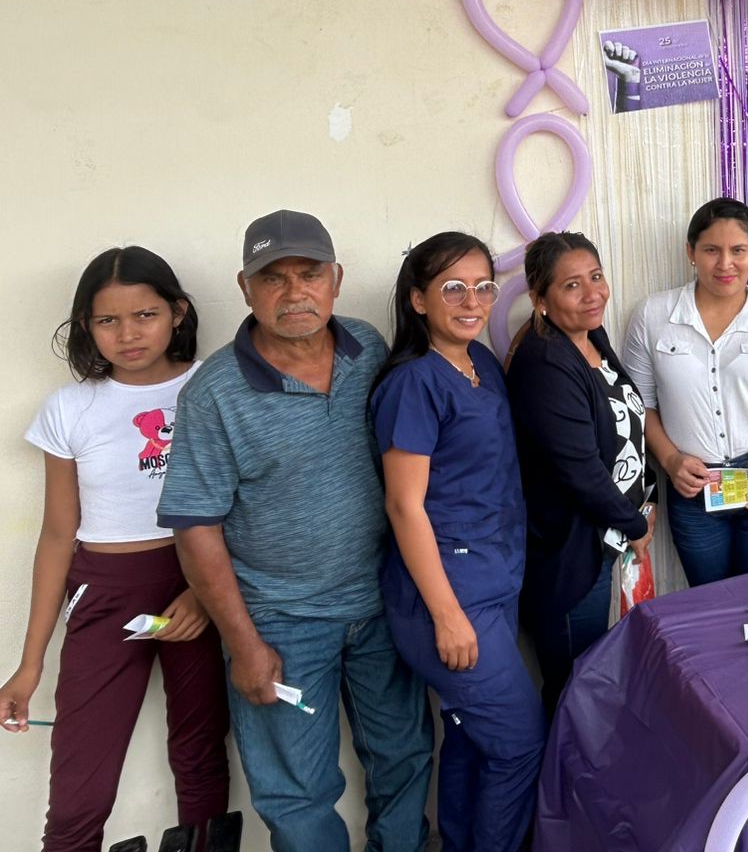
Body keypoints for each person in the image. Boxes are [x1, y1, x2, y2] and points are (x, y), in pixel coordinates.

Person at [157, 211, 433, 852]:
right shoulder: (215, 392)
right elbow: (196, 527)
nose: (294, 292)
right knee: (297, 793)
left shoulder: (369, 348)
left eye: (309, 274)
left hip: (382, 606)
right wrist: (244, 643)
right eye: (272, 278)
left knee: (405, 757)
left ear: (336, 279)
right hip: (281, 624)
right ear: (245, 288)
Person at [1, 248, 229, 851]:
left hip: (200, 585)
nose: (128, 334)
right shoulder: (70, 408)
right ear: (86, 325)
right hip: (107, 593)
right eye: (108, 320)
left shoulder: (212, 385)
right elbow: (58, 534)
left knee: (201, 753)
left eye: (145, 315)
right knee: (81, 773)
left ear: (178, 312)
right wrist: (30, 664)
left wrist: (203, 592)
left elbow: (248, 504)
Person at [370, 233, 544, 851]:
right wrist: (447, 616)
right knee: (520, 745)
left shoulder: (481, 365)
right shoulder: (414, 384)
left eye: (483, 287)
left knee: (472, 737)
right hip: (449, 595)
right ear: (418, 300)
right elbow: (404, 505)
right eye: (452, 288)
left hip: (495, 580)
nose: (472, 301)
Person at [623, 198, 748, 587]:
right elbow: (638, 404)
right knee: (709, 603)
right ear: (691, 252)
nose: (725, 263)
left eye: (738, 251)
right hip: (693, 487)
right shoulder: (653, 316)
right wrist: (671, 460)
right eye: (712, 250)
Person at [507, 232, 655, 710]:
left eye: (596, 277)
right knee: (576, 690)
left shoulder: (592, 338)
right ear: (540, 299)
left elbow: (628, 427)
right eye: (572, 285)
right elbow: (580, 471)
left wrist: (647, 498)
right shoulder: (545, 363)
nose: (593, 293)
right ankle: (563, 763)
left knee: (600, 681)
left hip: (608, 539)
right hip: (570, 557)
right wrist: (635, 524)